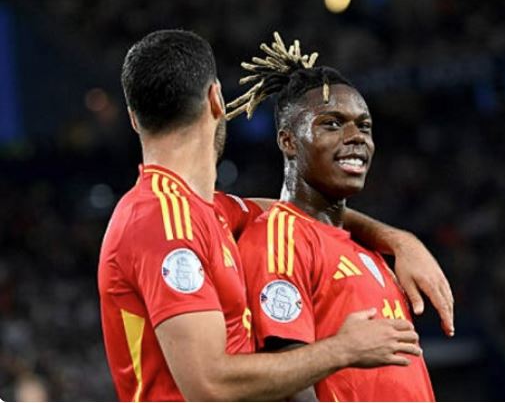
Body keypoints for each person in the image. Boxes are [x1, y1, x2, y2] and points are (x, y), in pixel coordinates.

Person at [98, 29, 448, 402]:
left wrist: (400, 241)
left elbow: (302, 213)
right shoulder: (165, 222)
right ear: (217, 99)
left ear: (134, 119)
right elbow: (208, 385)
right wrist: (342, 349)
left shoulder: (205, 210)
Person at [236, 33, 435, 401]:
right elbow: (288, 387)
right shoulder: (279, 239)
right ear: (288, 141)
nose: (356, 136)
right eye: (331, 124)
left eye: (364, 126)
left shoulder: (365, 249)